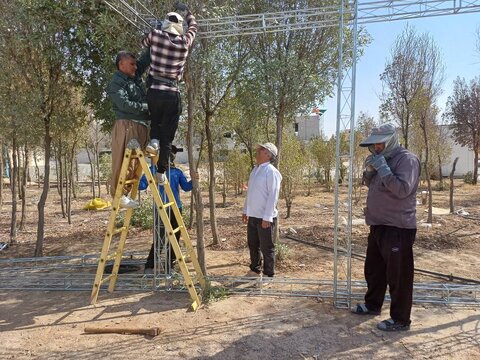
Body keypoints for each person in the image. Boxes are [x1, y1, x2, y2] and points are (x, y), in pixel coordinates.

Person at [351, 123, 420, 332]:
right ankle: (373, 305)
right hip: (378, 224)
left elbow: (402, 190)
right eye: (373, 146)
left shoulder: (406, 160)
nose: (375, 149)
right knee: (374, 269)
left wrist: (382, 167)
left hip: (397, 227)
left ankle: (400, 319)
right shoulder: (385, 160)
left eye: (378, 144)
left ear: (390, 141)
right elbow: (375, 187)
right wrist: (370, 173)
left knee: (398, 275)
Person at [141, 4, 198, 185]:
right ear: (180, 27)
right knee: (168, 134)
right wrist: (187, 11)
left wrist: (157, 29)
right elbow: (194, 28)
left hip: (154, 90)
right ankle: (161, 172)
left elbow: (143, 43)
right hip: (172, 93)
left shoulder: (155, 35)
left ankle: (154, 141)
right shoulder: (184, 43)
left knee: (156, 121)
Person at [142, 146, 197, 273]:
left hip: (176, 208)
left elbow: (187, 187)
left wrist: (194, 179)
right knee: (159, 237)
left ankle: (169, 265)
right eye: (170, 153)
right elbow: (142, 185)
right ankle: (150, 265)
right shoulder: (154, 170)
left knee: (175, 237)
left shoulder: (177, 172)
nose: (172, 156)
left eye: (173, 154)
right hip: (160, 208)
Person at [107, 49, 151, 208]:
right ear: (121, 64)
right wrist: (148, 107)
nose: (135, 67)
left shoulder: (133, 75)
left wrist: (158, 38)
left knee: (134, 163)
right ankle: (118, 195)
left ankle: (124, 194)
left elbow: (146, 59)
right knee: (121, 161)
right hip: (127, 124)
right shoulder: (116, 83)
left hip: (140, 125)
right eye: (132, 64)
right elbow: (124, 105)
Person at [242, 143, 282, 278]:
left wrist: (268, 217)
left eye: (261, 149)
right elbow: (251, 192)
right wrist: (245, 210)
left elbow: (273, 195)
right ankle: (255, 269)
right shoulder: (255, 170)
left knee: (267, 247)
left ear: (268, 154)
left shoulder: (272, 172)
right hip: (253, 215)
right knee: (253, 244)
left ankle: (268, 273)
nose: (258, 151)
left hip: (265, 218)